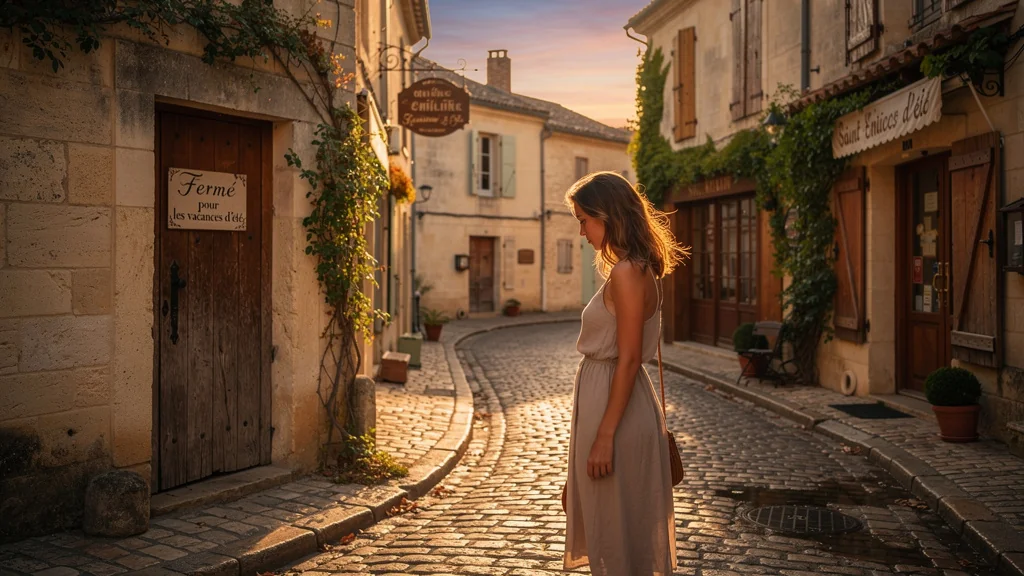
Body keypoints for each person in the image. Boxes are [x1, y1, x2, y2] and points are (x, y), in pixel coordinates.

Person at [561, 171, 687, 576]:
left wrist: (603, 437)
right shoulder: (631, 268)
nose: (582, 232)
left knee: (618, 542)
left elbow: (630, 358)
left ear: (607, 216)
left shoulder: (628, 272)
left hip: (616, 415)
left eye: (584, 220)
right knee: (614, 533)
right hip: (611, 410)